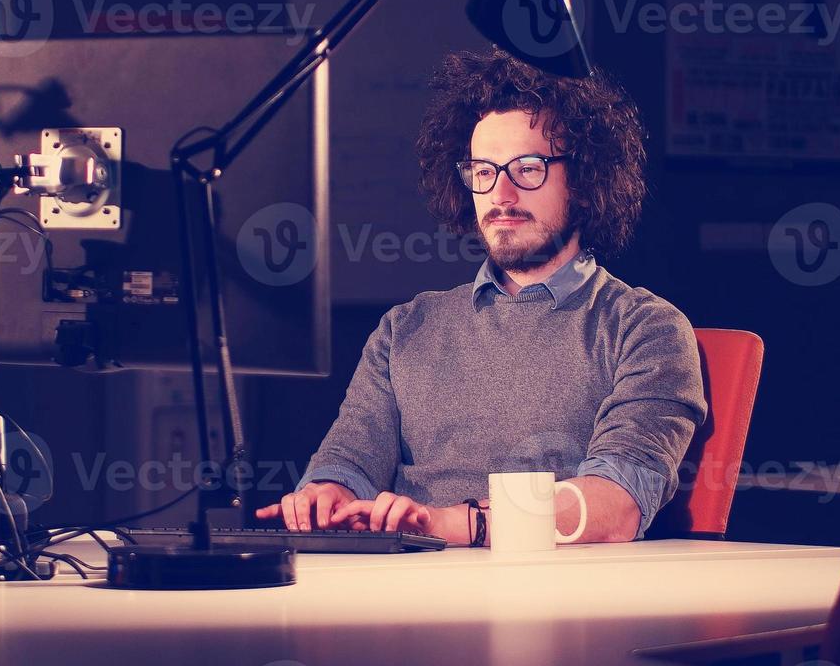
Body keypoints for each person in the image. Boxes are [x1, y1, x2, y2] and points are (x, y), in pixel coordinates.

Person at [256, 49, 706, 545]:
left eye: (528, 168)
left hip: (561, 603)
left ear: (583, 179)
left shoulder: (646, 328)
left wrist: (459, 524)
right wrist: (328, 494)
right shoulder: (406, 327)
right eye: (483, 170)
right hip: (404, 592)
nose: (501, 194)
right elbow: (350, 461)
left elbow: (617, 503)